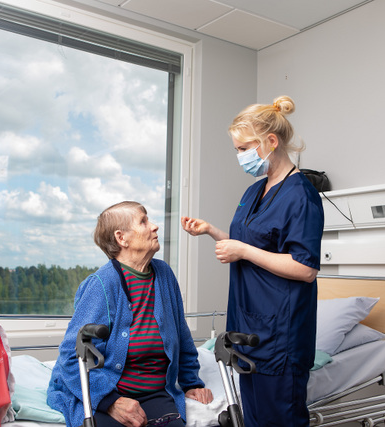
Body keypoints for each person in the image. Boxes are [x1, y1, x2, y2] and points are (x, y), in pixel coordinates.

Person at [181, 96, 324, 427]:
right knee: (254, 420)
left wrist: (242, 251)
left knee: (280, 419)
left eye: (244, 148)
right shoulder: (253, 192)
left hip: (281, 334)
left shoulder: (301, 195)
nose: (240, 156)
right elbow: (251, 244)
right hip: (250, 330)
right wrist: (214, 232)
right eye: (237, 149)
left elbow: (305, 269)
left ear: (271, 141)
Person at [48, 201, 213, 427]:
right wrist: (110, 402)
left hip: (155, 393)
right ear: (121, 238)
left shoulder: (164, 274)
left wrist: (191, 383)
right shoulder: (102, 284)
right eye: (144, 221)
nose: (154, 226)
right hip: (110, 392)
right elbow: (71, 356)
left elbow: (181, 335)